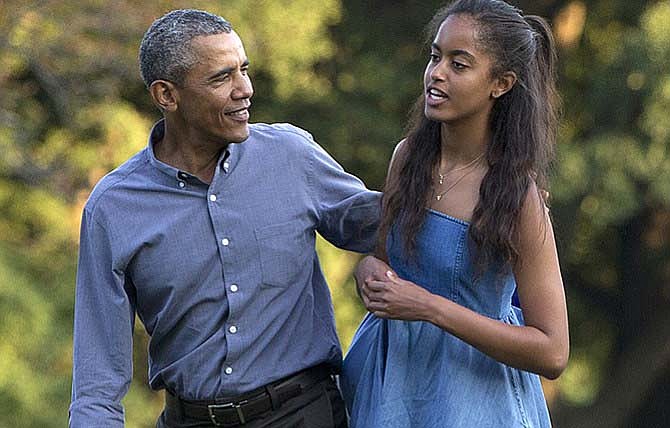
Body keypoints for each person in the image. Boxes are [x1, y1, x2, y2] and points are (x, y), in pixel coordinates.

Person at [69, 9, 380, 428]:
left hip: (303, 413)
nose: (245, 90)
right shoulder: (114, 206)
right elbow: (97, 382)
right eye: (222, 78)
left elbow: (389, 227)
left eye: (243, 70)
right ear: (167, 96)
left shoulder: (291, 155)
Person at [342, 1, 569, 427]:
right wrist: (369, 273)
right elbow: (383, 259)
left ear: (500, 84)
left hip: (475, 402)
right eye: (435, 56)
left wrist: (428, 306)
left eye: (459, 64)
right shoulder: (407, 159)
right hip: (392, 387)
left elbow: (553, 351)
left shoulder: (517, 197)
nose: (437, 73)